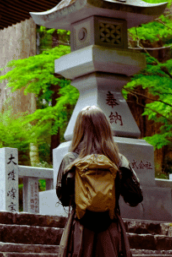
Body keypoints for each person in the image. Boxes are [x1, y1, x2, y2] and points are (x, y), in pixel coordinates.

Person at [56, 106, 143, 257]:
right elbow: (135, 197)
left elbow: (63, 198)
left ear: (78, 130)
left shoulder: (70, 160)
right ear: (106, 128)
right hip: (110, 228)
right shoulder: (118, 160)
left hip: (80, 230)